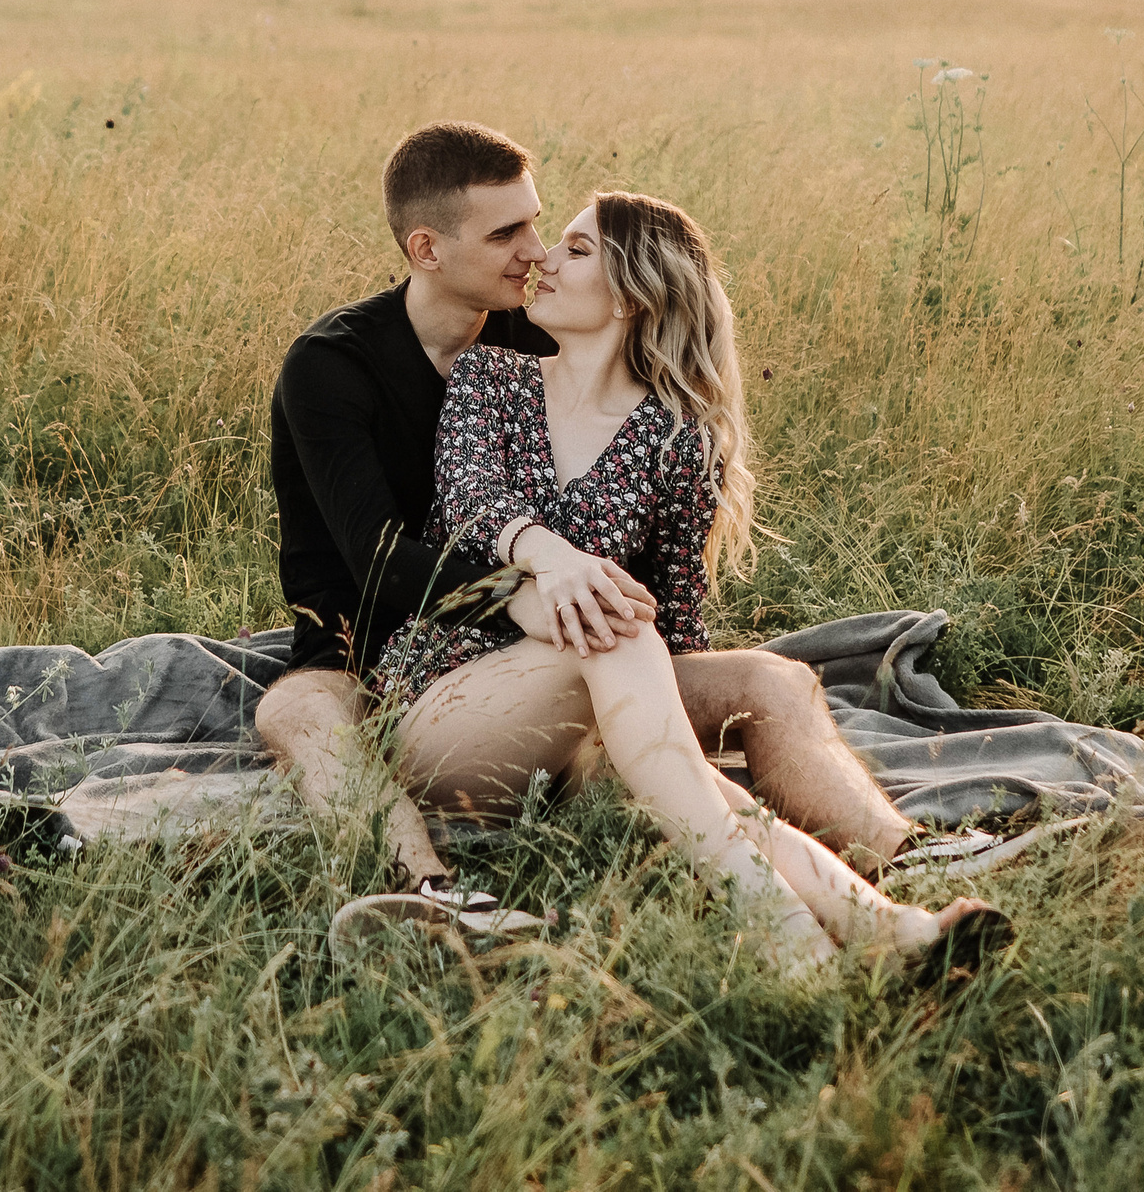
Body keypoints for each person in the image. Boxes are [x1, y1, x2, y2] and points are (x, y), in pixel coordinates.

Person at [253, 123, 946, 947]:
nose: (537, 253)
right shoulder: (334, 367)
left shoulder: (536, 333)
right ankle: (433, 900)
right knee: (296, 711)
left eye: (541, 226)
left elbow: (653, 541)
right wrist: (524, 594)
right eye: (507, 234)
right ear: (427, 248)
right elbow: (380, 563)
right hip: (369, 650)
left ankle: (916, 867)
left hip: (576, 650)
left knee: (773, 680)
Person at [372, 188, 1007, 978]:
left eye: (575, 249)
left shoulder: (674, 437)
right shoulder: (491, 379)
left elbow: (676, 611)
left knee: (696, 778)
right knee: (618, 630)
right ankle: (776, 924)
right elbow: (470, 502)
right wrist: (552, 557)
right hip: (448, 708)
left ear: (633, 294)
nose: (542, 259)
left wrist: (667, 741)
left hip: (576, 733)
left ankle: (886, 926)